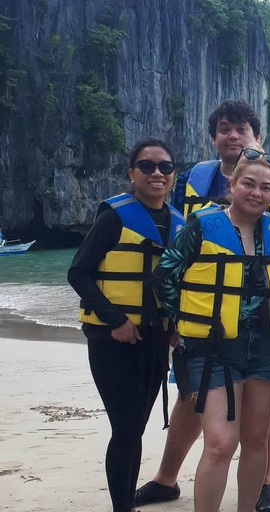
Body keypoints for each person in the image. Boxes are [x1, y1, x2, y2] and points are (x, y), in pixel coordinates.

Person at [137, 100, 270, 512]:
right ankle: (170, 481)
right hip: (212, 343)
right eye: (248, 184)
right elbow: (165, 276)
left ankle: (253, 498)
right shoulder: (203, 222)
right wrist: (182, 320)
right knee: (220, 442)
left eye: (265, 187)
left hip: (265, 345)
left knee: (255, 439)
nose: (257, 192)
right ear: (232, 183)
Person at [67, 139, 184, 512]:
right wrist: (115, 320)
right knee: (127, 428)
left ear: (173, 176)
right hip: (112, 339)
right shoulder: (113, 218)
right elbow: (78, 273)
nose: (156, 173)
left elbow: (181, 283)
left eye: (164, 167)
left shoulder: (180, 224)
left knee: (135, 426)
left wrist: (176, 326)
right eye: (146, 166)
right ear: (131, 174)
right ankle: (123, 506)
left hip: (154, 338)